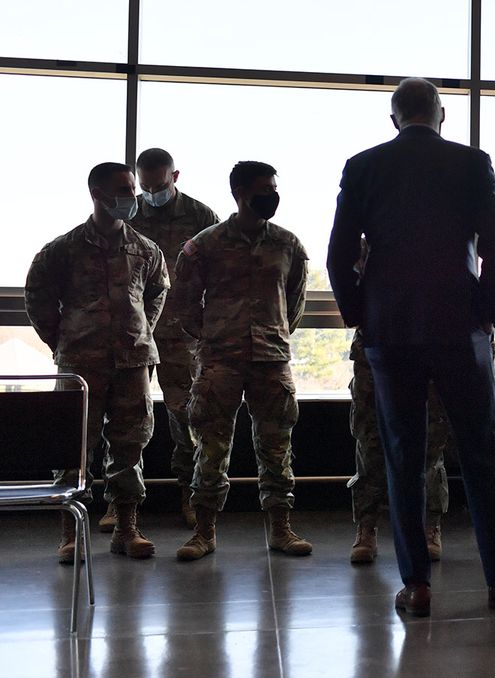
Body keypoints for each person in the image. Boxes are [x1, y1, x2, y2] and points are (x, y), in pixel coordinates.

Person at [327, 77, 495, 616]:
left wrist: (362, 314)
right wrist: (485, 316)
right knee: (481, 451)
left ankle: (416, 586)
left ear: (394, 118)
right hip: (458, 327)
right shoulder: (472, 163)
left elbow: (337, 254)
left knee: (403, 454)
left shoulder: (362, 165)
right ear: (441, 115)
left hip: (389, 330)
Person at [25, 162, 169, 561]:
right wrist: (63, 340)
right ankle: (70, 535)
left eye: (131, 188)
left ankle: (127, 529)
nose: (131, 196)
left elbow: (157, 293)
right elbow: (37, 296)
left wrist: (140, 333)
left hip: (133, 362)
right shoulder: (63, 249)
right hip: (80, 364)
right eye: (123, 189)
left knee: (130, 446)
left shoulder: (145, 249)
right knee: (72, 448)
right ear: (97, 194)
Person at [173, 161, 312, 561]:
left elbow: (295, 303)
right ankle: (203, 531)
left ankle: (281, 529)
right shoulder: (205, 245)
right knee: (211, 448)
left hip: (271, 360)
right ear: (239, 193)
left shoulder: (288, 244)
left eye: (273, 186)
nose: (271, 195)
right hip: (220, 361)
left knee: (277, 448)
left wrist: (272, 334)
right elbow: (184, 306)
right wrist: (214, 338)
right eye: (263, 188)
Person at [129, 147, 220, 531]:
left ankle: (190, 494)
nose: (152, 192)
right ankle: (122, 504)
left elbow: (219, 275)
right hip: (134, 333)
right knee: (127, 418)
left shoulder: (200, 216)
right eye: (145, 186)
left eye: (159, 184)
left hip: (182, 337)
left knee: (186, 418)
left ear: (175, 177)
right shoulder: (127, 213)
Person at [347, 326, 455, 564]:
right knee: (371, 437)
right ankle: (367, 527)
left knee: (431, 436)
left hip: (429, 337)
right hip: (376, 336)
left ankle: (430, 526)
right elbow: (346, 293)